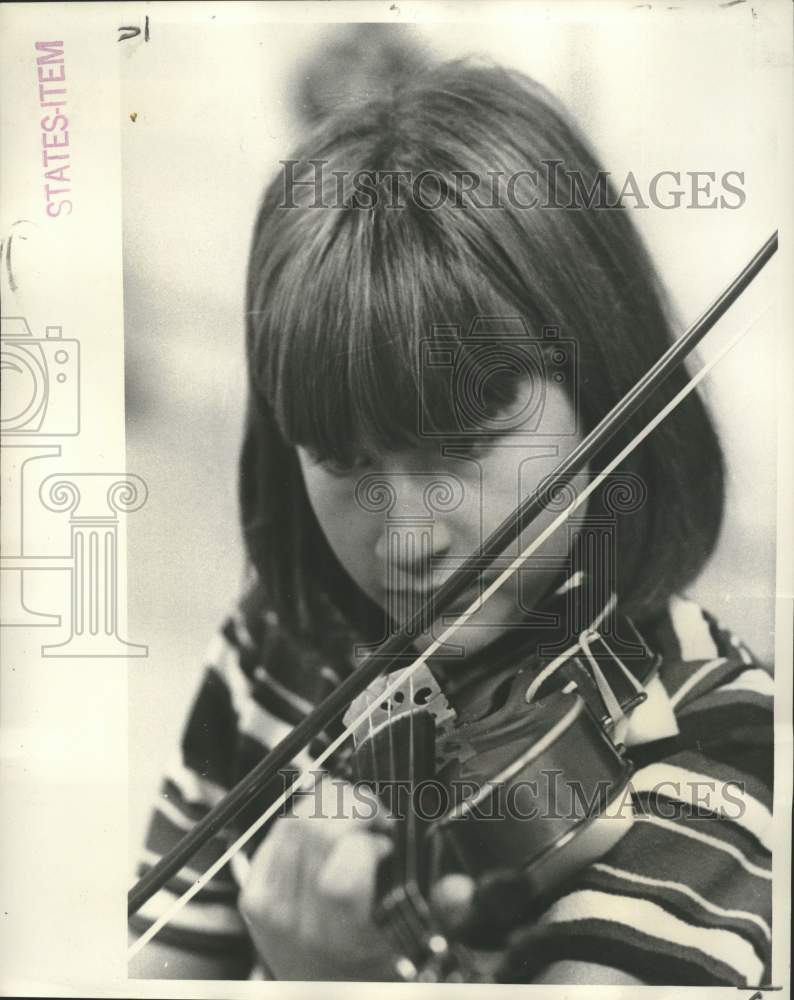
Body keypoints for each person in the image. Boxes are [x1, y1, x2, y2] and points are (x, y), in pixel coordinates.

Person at [129, 58, 773, 985]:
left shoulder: (719, 743)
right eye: (344, 462)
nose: (405, 541)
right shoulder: (280, 649)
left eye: (465, 445)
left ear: (603, 391)